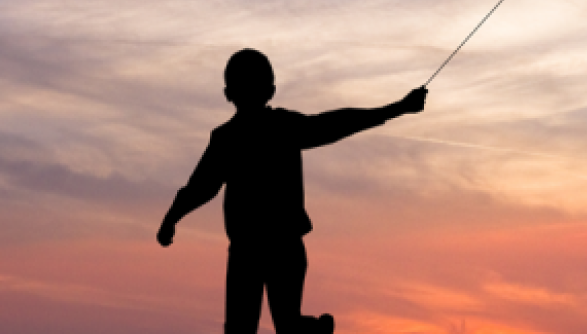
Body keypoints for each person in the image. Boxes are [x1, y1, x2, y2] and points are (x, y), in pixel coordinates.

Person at [157, 48, 427, 334]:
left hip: (265, 247)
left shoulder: (240, 136)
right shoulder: (265, 131)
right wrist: (397, 108)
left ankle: (309, 329)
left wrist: (171, 218)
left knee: (262, 326)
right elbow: (335, 124)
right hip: (266, 247)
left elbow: (200, 188)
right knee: (270, 325)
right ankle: (312, 329)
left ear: (227, 94)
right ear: (270, 91)